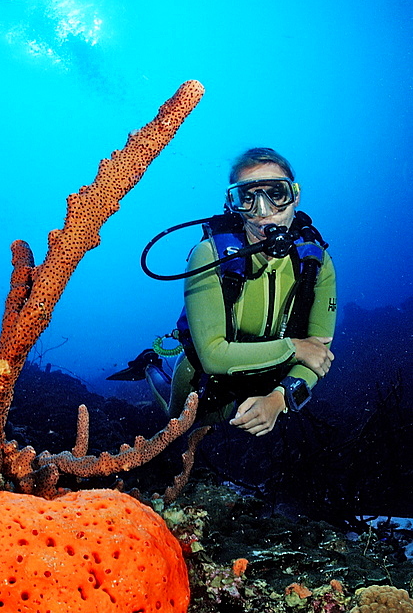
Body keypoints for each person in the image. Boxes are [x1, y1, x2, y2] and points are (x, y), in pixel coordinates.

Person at [111, 147, 336, 437]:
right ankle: (150, 365)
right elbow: (213, 356)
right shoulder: (209, 256)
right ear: (233, 205)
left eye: (276, 194)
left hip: (270, 373)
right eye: (248, 198)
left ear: (296, 195)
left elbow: (319, 353)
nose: (264, 211)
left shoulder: (316, 262)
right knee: (178, 422)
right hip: (207, 377)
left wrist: (279, 398)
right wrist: (295, 348)